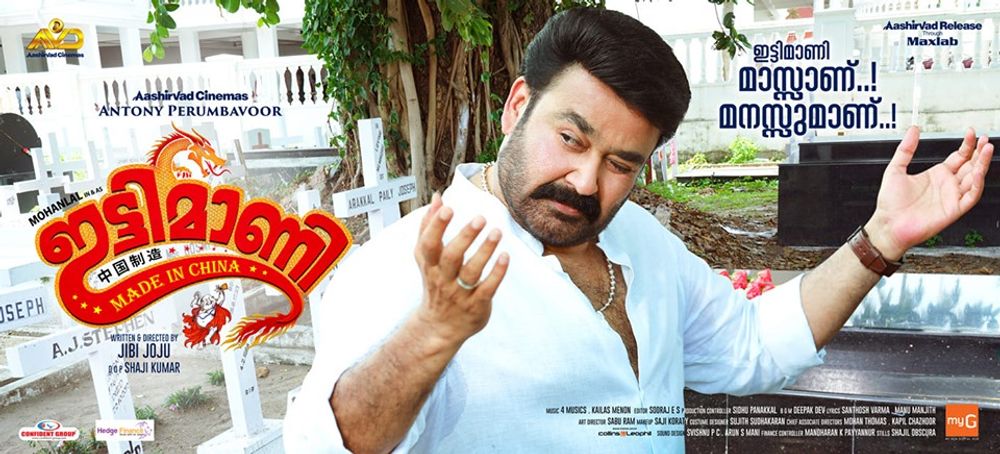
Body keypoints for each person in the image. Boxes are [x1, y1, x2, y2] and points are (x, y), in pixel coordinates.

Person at [284, 8, 993, 453]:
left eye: (621, 163)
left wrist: (880, 239)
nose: (586, 182)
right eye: (570, 138)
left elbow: (748, 347)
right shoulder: (401, 267)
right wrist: (434, 332)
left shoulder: (640, 242)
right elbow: (326, 443)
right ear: (518, 106)